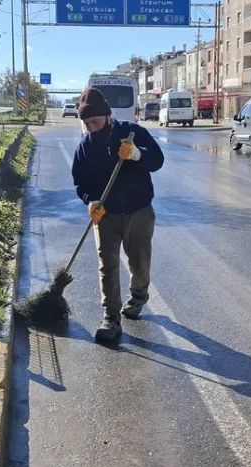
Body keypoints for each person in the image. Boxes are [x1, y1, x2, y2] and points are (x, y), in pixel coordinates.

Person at [71, 87, 165, 342]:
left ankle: (138, 295)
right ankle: (111, 319)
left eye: (95, 121)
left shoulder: (131, 133)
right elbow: (81, 181)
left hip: (139, 210)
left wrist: (136, 154)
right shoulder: (85, 147)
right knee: (108, 266)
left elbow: (157, 160)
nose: (91, 127)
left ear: (107, 115)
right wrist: (91, 201)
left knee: (139, 262)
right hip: (107, 215)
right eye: (86, 123)